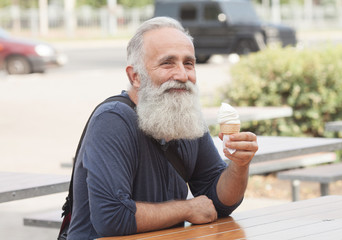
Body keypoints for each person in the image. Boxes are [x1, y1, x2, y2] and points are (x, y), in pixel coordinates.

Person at [67, 16, 258, 239]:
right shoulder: (113, 119)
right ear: (135, 76)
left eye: (189, 63)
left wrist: (239, 164)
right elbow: (112, 219)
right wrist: (187, 209)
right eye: (167, 63)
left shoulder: (185, 115)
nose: (182, 75)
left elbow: (218, 203)